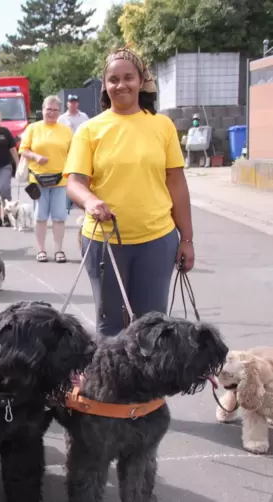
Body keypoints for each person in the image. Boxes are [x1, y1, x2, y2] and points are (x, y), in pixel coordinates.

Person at [64, 48, 194, 336]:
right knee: (110, 327)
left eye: (128, 78)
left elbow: (176, 182)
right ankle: (110, 381)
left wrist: (186, 239)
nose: (121, 85)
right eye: (113, 79)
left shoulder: (162, 126)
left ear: (140, 81)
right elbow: (74, 182)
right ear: (105, 85)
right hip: (104, 243)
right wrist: (91, 200)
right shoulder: (89, 130)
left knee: (153, 328)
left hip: (157, 241)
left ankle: (150, 383)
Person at [19, 95, 73, 263]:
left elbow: (73, 153)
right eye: (48, 109)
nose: (51, 113)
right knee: (40, 217)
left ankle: (58, 250)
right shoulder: (33, 128)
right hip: (38, 180)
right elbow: (23, 150)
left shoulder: (66, 130)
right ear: (42, 110)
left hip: (60, 180)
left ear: (59, 112)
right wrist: (35, 157)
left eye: (55, 110)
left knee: (59, 217)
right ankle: (41, 250)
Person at [58, 95, 89, 213]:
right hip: (67, 149)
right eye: (71, 102)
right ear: (67, 104)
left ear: (78, 104)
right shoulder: (62, 118)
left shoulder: (84, 116)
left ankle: (81, 199)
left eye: (75, 102)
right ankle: (67, 202)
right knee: (68, 175)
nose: (73, 104)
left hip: (82, 148)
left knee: (81, 173)